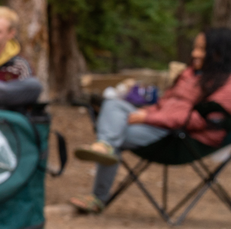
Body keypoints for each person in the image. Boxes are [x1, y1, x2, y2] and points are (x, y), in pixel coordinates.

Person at [69, 28, 231, 214]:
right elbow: (165, 103)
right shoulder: (190, 74)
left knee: (116, 134)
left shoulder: (226, 86)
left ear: (219, 52)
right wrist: (146, 111)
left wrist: (148, 117)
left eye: (202, 49)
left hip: (179, 139)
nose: (194, 53)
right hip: (159, 125)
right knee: (113, 103)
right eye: (195, 48)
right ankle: (104, 145)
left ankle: (98, 194)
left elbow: (199, 120)